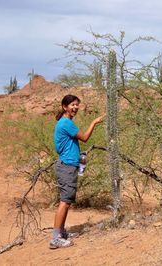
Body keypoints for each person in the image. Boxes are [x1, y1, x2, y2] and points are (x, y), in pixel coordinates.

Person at [50, 94, 105, 249]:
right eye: (73, 105)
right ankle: (55, 238)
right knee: (65, 202)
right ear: (64, 106)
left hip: (68, 164)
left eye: (77, 105)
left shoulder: (65, 122)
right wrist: (94, 122)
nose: (75, 107)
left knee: (66, 201)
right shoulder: (66, 123)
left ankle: (61, 233)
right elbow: (85, 137)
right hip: (66, 166)